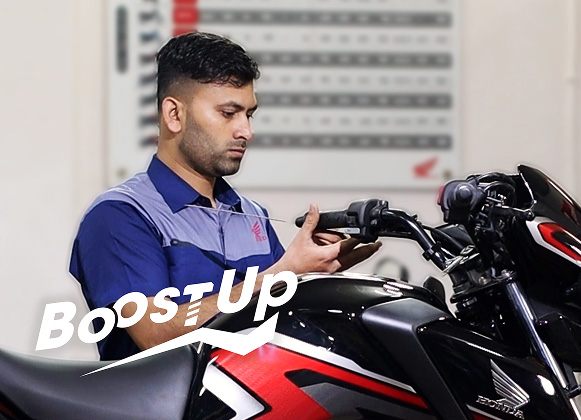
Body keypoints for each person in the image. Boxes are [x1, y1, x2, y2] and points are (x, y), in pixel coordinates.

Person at [69, 32, 381, 360]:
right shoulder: (119, 215)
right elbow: (156, 334)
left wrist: (311, 274)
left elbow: (280, 325)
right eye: (228, 113)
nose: (246, 131)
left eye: (249, 114)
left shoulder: (251, 214)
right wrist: (282, 274)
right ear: (174, 115)